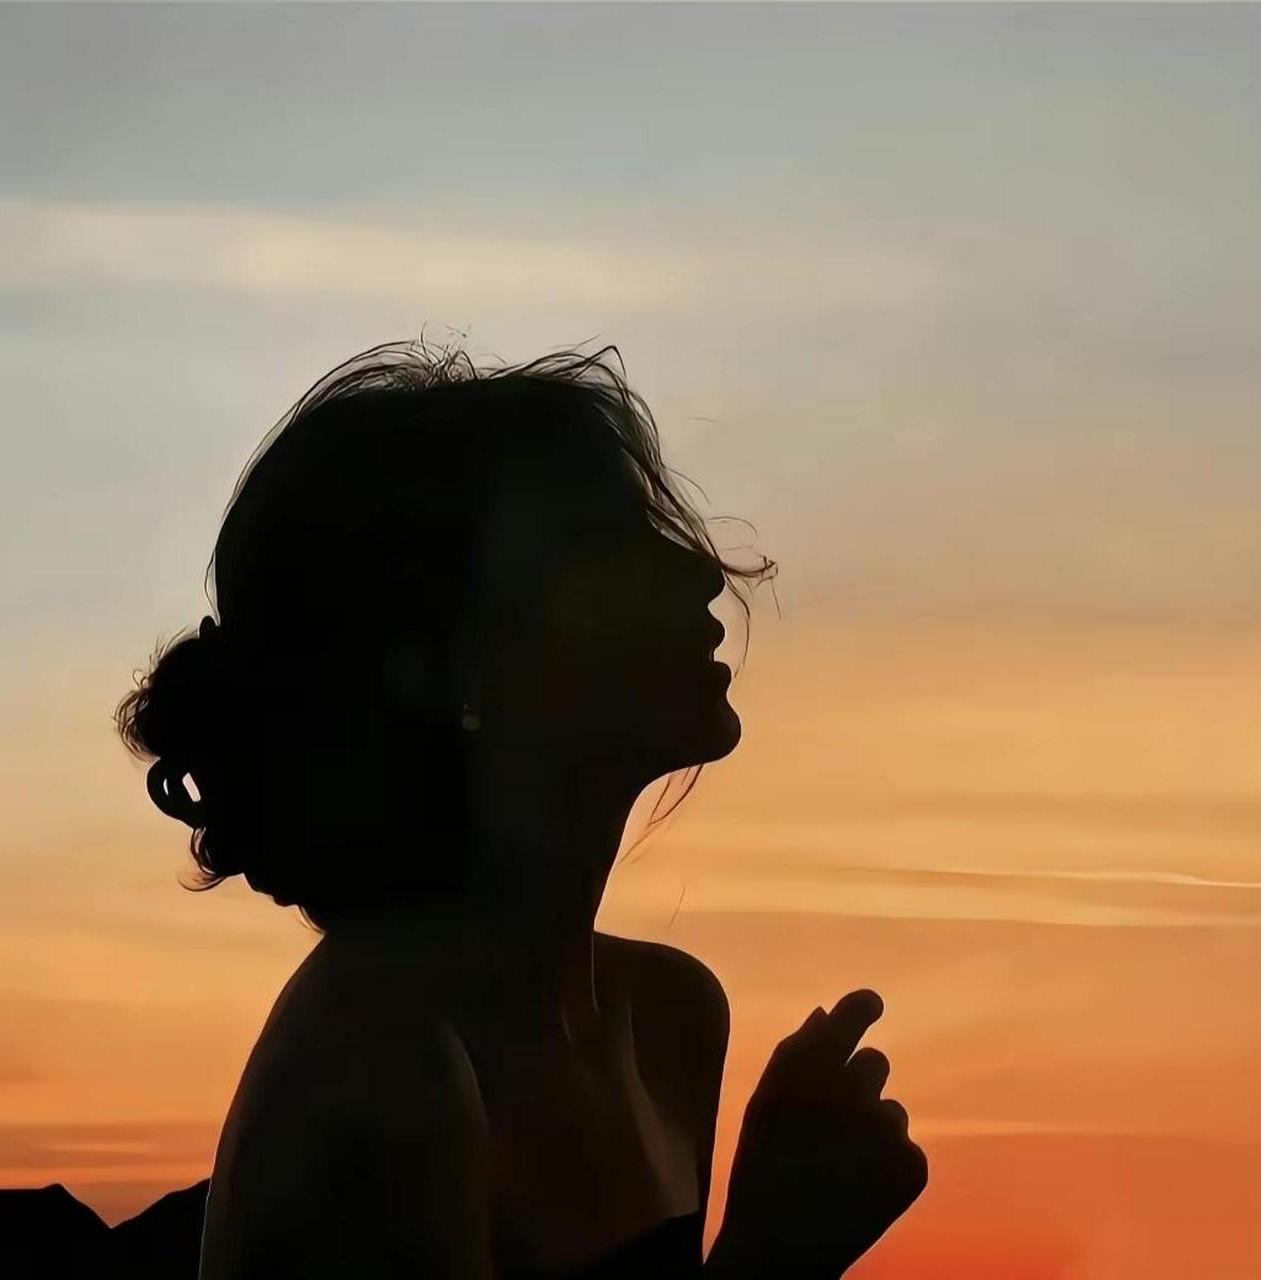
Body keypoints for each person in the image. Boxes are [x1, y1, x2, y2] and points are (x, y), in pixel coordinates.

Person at [116, 340, 927, 1279]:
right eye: (604, 546)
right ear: (445, 661)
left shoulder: (669, 1019)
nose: (700, 573)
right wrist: (776, 1253)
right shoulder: (379, 1072)